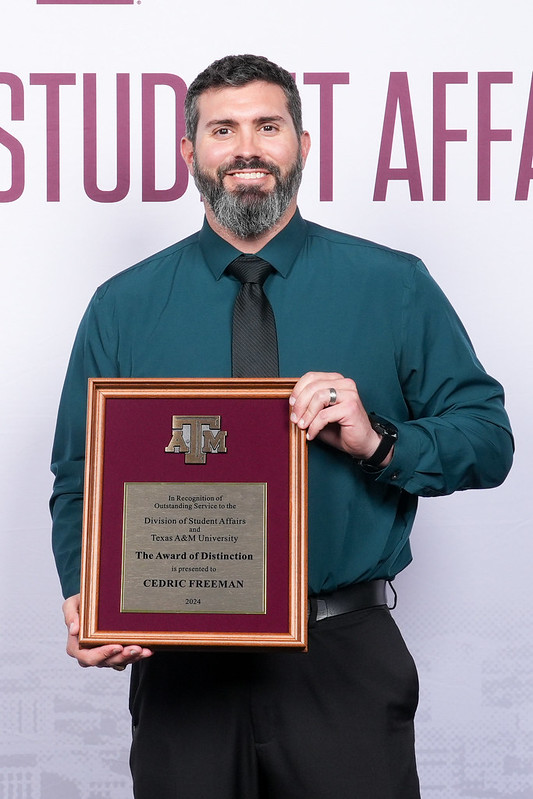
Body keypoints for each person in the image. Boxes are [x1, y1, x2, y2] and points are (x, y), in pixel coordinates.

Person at [50, 54, 513, 798]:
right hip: (182, 660)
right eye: (221, 129)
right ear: (188, 153)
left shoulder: (393, 286)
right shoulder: (123, 305)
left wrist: (378, 439)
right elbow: (79, 475)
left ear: (302, 142)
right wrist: (87, 592)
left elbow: (487, 440)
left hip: (342, 657)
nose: (246, 148)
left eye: (268, 126)